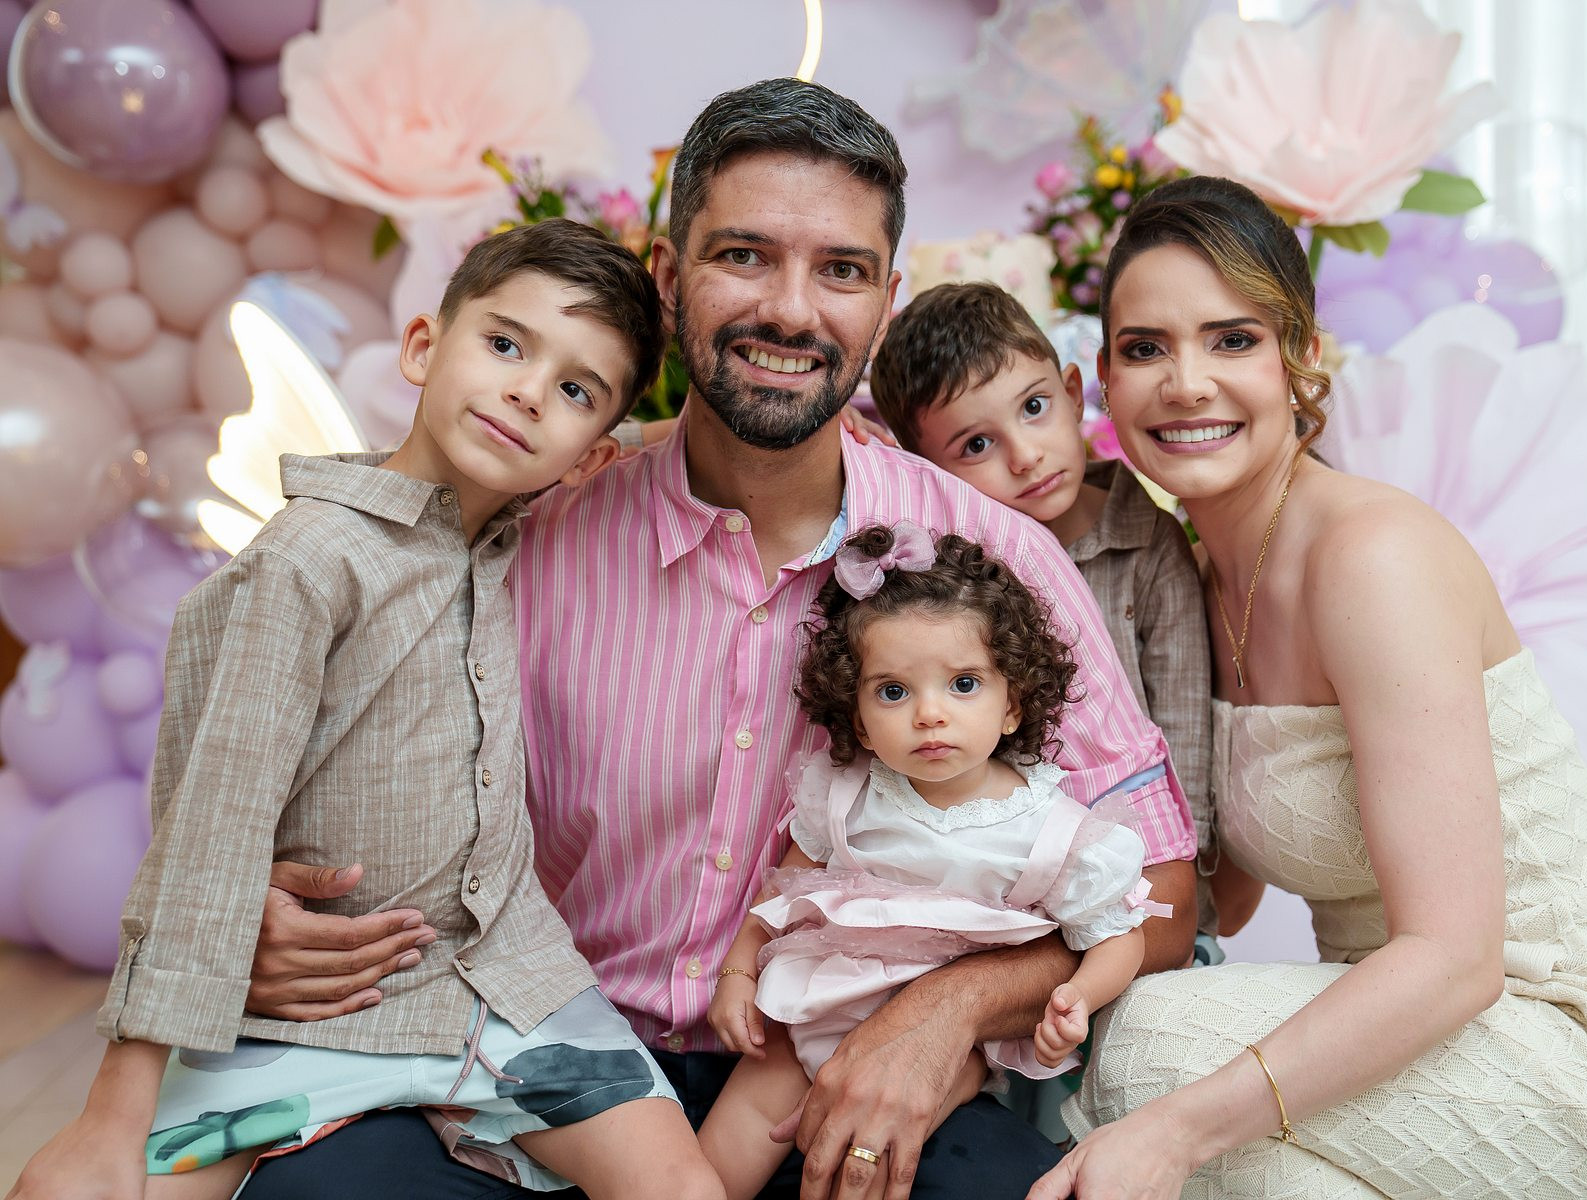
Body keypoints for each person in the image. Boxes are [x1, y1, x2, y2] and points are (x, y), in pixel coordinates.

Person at [235, 78, 1198, 1200]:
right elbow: (314, 771)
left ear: (885, 303)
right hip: (526, 1063)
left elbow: (1164, 900)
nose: (791, 311)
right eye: (745, 255)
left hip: (833, 1068)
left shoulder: (995, 560)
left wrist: (947, 1011)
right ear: (667, 275)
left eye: (840, 270)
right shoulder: (526, 532)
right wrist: (258, 910)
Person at [7, 220, 723, 1200]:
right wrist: (112, 1113)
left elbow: (621, 452)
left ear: (585, 452)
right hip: (318, 1011)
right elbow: (209, 835)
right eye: (504, 345)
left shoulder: (514, 526)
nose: (527, 392)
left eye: (574, 390)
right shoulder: (306, 565)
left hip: (507, 984)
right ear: (423, 347)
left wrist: (789, 428)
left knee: (682, 1187)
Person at [1027, 175, 1587, 1200]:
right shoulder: (1190, 584)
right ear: (1101, 379)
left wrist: (1174, 1133)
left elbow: (1457, 958)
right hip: (1426, 1034)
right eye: (1146, 349)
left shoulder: (1373, 557)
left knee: (1157, 1051)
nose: (1186, 383)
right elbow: (1217, 899)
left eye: (1233, 340)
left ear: (1301, 356)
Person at [699, 524, 1164, 1199]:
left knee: (867, 1172)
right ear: (860, 722)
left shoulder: (1054, 833)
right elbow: (787, 887)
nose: (929, 714)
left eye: (963, 684)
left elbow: (1118, 935)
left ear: (1013, 704)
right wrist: (740, 970)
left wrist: (1078, 999)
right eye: (893, 692)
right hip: (814, 1003)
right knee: (713, 1166)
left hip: (940, 1054)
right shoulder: (847, 793)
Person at [870, 282, 1217, 962]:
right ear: (927, 470)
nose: (1025, 455)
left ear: (1073, 391)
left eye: (1034, 408)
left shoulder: (1148, 545)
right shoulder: (950, 578)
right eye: (977, 444)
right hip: (994, 883)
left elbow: (1184, 736)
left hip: (1137, 876)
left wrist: (1185, 895)